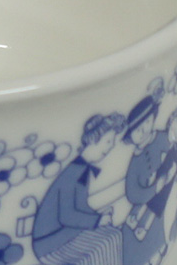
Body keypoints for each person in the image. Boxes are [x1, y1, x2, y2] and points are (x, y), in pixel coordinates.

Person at [32, 112, 126, 265]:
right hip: (50, 243)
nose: (111, 146)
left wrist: (99, 216)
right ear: (93, 139)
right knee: (103, 244)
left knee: (114, 234)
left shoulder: (82, 168)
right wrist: (97, 220)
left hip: (63, 233)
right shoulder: (73, 172)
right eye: (108, 141)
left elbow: (80, 206)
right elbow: (67, 215)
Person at [121, 96, 176, 265]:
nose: (143, 130)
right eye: (137, 130)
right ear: (130, 137)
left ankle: (156, 253)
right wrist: (153, 189)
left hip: (164, 195)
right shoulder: (135, 161)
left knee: (157, 218)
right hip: (144, 200)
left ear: (153, 119)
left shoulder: (162, 138)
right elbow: (132, 192)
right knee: (129, 232)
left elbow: (173, 154)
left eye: (147, 122)